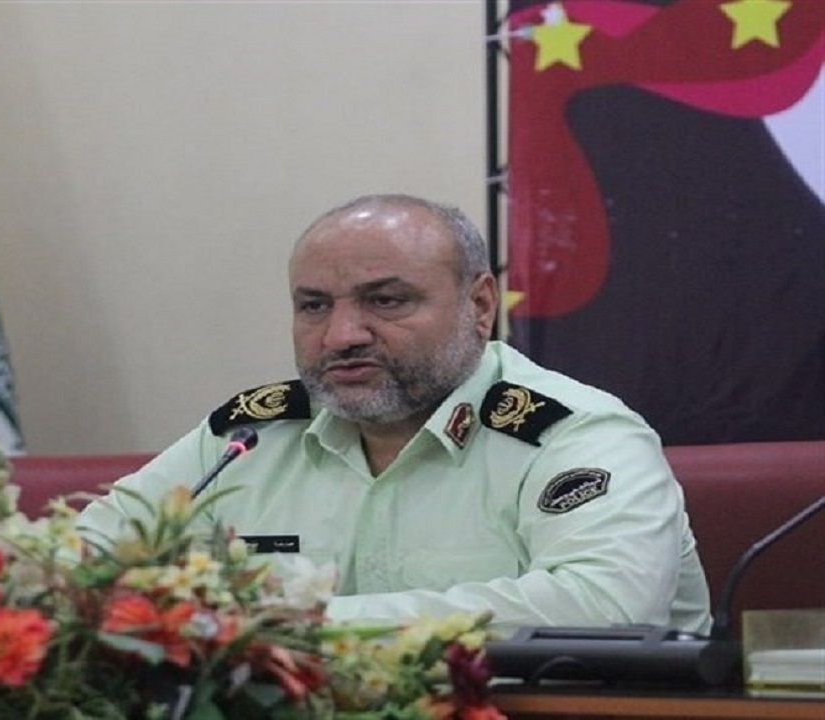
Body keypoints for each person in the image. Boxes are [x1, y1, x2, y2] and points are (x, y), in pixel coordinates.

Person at [78, 193, 712, 633]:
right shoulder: (248, 437)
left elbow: (605, 609)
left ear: (479, 306)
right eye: (314, 306)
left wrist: (286, 624)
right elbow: (77, 563)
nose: (341, 335)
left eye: (385, 301)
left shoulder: (575, 435)